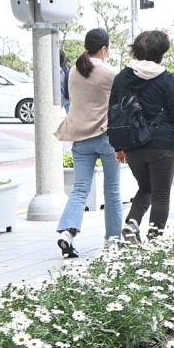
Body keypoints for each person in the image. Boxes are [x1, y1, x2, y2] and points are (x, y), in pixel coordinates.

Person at [109, 30, 174, 242]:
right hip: (162, 145)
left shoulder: (122, 78)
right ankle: (155, 242)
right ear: (161, 53)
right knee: (161, 194)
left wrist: (118, 146)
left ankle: (132, 223)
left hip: (133, 144)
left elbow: (113, 112)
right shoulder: (166, 78)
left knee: (146, 187)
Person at [53, 29, 123, 256]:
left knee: (80, 188)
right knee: (112, 190)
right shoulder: (110, 73)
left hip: (80, 138)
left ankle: (67, 232)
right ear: (104, 49)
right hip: (106, 137)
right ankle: (112, 241)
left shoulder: (75, 71)